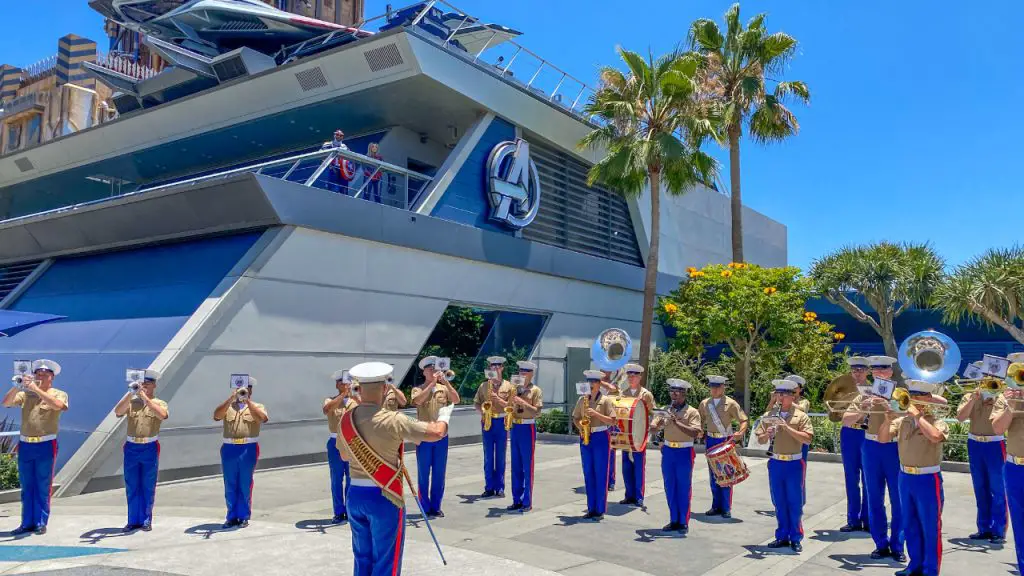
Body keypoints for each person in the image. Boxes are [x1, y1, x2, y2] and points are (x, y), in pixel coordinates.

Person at [337, 361, 452, 576]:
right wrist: (445, 415)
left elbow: (344, 454)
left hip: (355, 494)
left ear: (359, 389)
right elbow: (436, 433)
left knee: (362, 556)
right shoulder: (393, 419)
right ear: (384, 388)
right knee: (386, 559)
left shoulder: (346, 419)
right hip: (385, 495)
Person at [878, 379, 948, 576]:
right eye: (912, 396)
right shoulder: (902, 421)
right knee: (910, 524)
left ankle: (930, 571)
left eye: (918, 397)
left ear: (928, 400)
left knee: (930, 527)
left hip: (928, 478)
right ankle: (914, 565)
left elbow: (935, 437)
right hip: (905, 477)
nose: (913, 401)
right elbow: (883, 439)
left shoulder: (937, 420)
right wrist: (886, 420)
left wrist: (918, 417)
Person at [849, 355, 906, 562]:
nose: (880, 374)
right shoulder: (864, 395)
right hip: (871, 446)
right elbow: (846, 419)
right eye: (876, 371)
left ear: (891, 372)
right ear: (872, 373)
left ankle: (898, 545)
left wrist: (893, 408)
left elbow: (912, 415)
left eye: (884, 370)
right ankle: (880, 543)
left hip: (895, 447)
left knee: (898, 499)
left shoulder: (901, 394)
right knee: (874, 497)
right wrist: (862, 409)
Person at [2, 359, 68, 535]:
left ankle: (40, 521)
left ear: (51, 377)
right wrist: (18, 385)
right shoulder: (26, 394)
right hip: (26, 444)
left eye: (44, 375)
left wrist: (36, 389)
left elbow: (58, 406)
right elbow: (7, 402)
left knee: (43, 484)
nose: (40, 377)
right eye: (38, 374)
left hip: (46, 444)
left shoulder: (58, 393)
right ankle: (26, 522)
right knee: (27, 485)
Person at [755, 379, 814, 552]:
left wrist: (786, 427)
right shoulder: (769, 415)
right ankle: (781, 535)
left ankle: (795, 537)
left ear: (792, 396)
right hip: (776, 462)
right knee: (779, 501)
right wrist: (767, 434)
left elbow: (807, 439)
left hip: (794, 463)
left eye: (783, 394)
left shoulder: (801, 416)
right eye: (778, 394)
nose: (779, 398)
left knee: (794, 502)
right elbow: (759, 439)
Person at [956, 359, 1007, 544]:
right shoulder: (970, 396)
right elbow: (960, 417)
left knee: (998, 489)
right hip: (975, 444)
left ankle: (998, 530)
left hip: (994, 445)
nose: (988, 379)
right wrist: (974, 399)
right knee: (980, 488)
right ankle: (983, 528)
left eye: (992, 376)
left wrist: (993, 397)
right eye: (985, 375)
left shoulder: (1001, 397)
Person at [114, 369, 168, 532]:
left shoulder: (159, 402)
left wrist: (145, 398)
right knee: (132, 483)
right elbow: (118, 411)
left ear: (154, 386)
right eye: (142, 384)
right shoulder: (132, 403)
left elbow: (162, 415)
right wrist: (131, 393)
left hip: (149, 446)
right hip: (132, 446)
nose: (144, 387)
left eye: (147, 384)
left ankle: (145, 519)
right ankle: (133, 519)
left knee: (147, 484)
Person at [212, 376, 269, 529]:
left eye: (247, 388)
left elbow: (263, 418)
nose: (243, 391)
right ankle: (231, 515)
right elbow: (217, 415)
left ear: (251, 390)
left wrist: (247, 401)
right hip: (229, 448)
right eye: (241, 389)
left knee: (245, 482)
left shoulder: (257, 406)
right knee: (230, 482)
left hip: (247, 448)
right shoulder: (229, 406)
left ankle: (243, 515)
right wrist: (231, 398)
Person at [411, 356, 460, 517]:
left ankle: (436, 506)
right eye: (430, 369)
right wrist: (432, 383)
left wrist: (445, 382)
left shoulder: (443, 388)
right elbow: (417, 401)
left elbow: (456, 399)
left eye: (435, 369)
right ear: (424, 371)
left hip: (440, 436)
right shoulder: (418, 389)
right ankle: (424, 507)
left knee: (439, 473)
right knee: (423, 473)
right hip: (424, 435)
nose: (433, 372)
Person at [651, 379, 702, 533]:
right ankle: (674, 519)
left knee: (683, 487)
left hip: (684, 452)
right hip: (668, 451)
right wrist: (655, 426)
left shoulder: (692, 412)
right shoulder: (665, 409)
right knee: (670, 486)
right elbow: (654, 427)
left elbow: (695, 433)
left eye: (677, 391)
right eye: (671, 391)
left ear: (684, 394)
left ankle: (683, 521)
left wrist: (675, 422)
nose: (673, 394)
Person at [991, 352, 1024, 576]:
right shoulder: (1006, 397)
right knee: (1021, 526)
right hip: (1015, 467)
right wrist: (1012, 405)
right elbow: (997, 429)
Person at [698, 375, 748, 518]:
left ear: (723, 387)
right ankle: (716, 506)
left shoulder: (731, 404)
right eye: (712, 386)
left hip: (724, 440)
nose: (714, 389)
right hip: (710, 440)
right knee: (713, 474)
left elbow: (743, 420)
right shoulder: (704, 403)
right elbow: (699, 419)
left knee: (726, 473)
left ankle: (726, 507)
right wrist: (700, 430)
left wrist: (740, 432)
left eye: (717, 387)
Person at [572, 370, 616, 520]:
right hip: (586, 436)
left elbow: (612, 421)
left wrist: (596, 414)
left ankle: (600, 509)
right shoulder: (582, 399)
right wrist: (581, 428)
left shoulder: (606, 400)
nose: (591, 385)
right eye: (589, 382)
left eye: (594, 382)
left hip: (600, 436)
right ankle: (591, 508)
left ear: (599, 384)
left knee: (600, 472)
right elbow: (576, 417)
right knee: (589, 472)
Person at [837, 357, 871, 533]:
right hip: (850, 433)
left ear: (867, 371)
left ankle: (868, 518)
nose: (858, 373)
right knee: (851, 478)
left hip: (867, 434)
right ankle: (853, 519)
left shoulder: (875, 390)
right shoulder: (843, 392)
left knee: (869, 479)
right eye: (854, 370)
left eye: (861, 369)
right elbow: (839, 416)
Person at [473, 356, 512, 498]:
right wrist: (483, 410)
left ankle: (500, 487)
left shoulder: (509, 386)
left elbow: (511, 406)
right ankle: (489, 487)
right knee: (488, 456)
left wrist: (498, 399)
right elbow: (476, 403)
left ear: (502, 368)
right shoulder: (484, 386)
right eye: (492, 366)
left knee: (500, 456)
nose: (495, 368)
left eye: (498, 366)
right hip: (487, 421)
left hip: (502, 421)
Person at [324, 369, 359, 524]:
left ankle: (351, 511)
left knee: (352, 478)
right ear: (337, 385)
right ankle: (339, 511)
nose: (345, 385)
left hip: (352, 442)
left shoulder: (356, 401)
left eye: (347, 382)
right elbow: (326, 409)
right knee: (337, 478)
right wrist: (343, 395)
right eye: (342, 382)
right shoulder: (330, 400)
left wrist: (354, 394)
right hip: (335, 442)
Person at [507, 360, 542, 512]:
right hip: (515, 426)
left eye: (525, 371)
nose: (522, 374)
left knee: (527, 465)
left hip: (528, 426)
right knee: (516, 465)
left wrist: (523, 402)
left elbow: (537, 411)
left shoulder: (535, 391)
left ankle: (527, 501)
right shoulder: (513, 388)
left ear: (531, 374)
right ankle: (516, 499)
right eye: (520, 371)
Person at [619, 363, 655, 507]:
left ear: (640, 377)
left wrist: (653, 425)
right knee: (626, 466)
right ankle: (629, 495)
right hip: (626, 434)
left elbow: (653, 412)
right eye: (629, 375)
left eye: (634, 375)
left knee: (639, 466)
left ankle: (639, 496)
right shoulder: (624, 394)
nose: (631, 378)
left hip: (639, 435)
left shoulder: (645, 395)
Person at [600, 369, 622, 491]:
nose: (606, 371)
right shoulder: (592, 382)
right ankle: (599, 479)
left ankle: (610, 481)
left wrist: (600, 382)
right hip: (596, 420)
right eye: (603, 368)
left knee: (611, 452)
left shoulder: (615, 383)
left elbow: (614, 390)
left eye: (608, 368)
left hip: (610, 421)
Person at [321, 129, 352, 194]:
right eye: (337, 134)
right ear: (334, 135)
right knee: (332, 188)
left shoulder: (345, 147)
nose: (339, 136)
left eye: (341, 135)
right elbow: (321, 154)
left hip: (343, 170)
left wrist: (348, 169)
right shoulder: (327, 144)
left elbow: (349, 158)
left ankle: (344, 201)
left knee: (344, 189)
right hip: (332, 168)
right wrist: (329, 164)